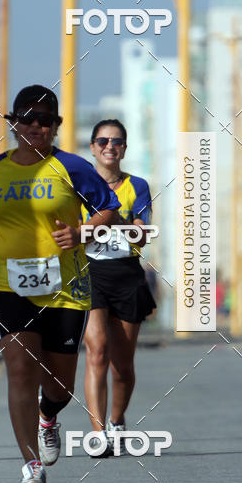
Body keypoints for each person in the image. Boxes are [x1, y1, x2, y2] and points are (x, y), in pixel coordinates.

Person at [0, 86, 121, 483]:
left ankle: (48, 416)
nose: (35, 126)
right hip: (5, 284)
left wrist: (82, 231)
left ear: (55, 126)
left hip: (64, 286)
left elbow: (109, 209)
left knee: (60, 384)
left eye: (45, 120)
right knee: (19, 368)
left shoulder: (72, 167)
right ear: (14, 123)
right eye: (27, 119)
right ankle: (31, 464)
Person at [83, 119, 156, 456]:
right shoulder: (78, 185)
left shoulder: (137, 186)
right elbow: (72, 230)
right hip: (89, 272)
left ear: (124, 148)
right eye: (102, 141)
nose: (109, 147)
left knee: (121, 365)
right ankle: (98, 432)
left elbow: (142, 232)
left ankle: (116, 419)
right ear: (93, 147)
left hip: (127, 274)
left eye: (116, 142)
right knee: (96, 350)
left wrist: (114, 220)